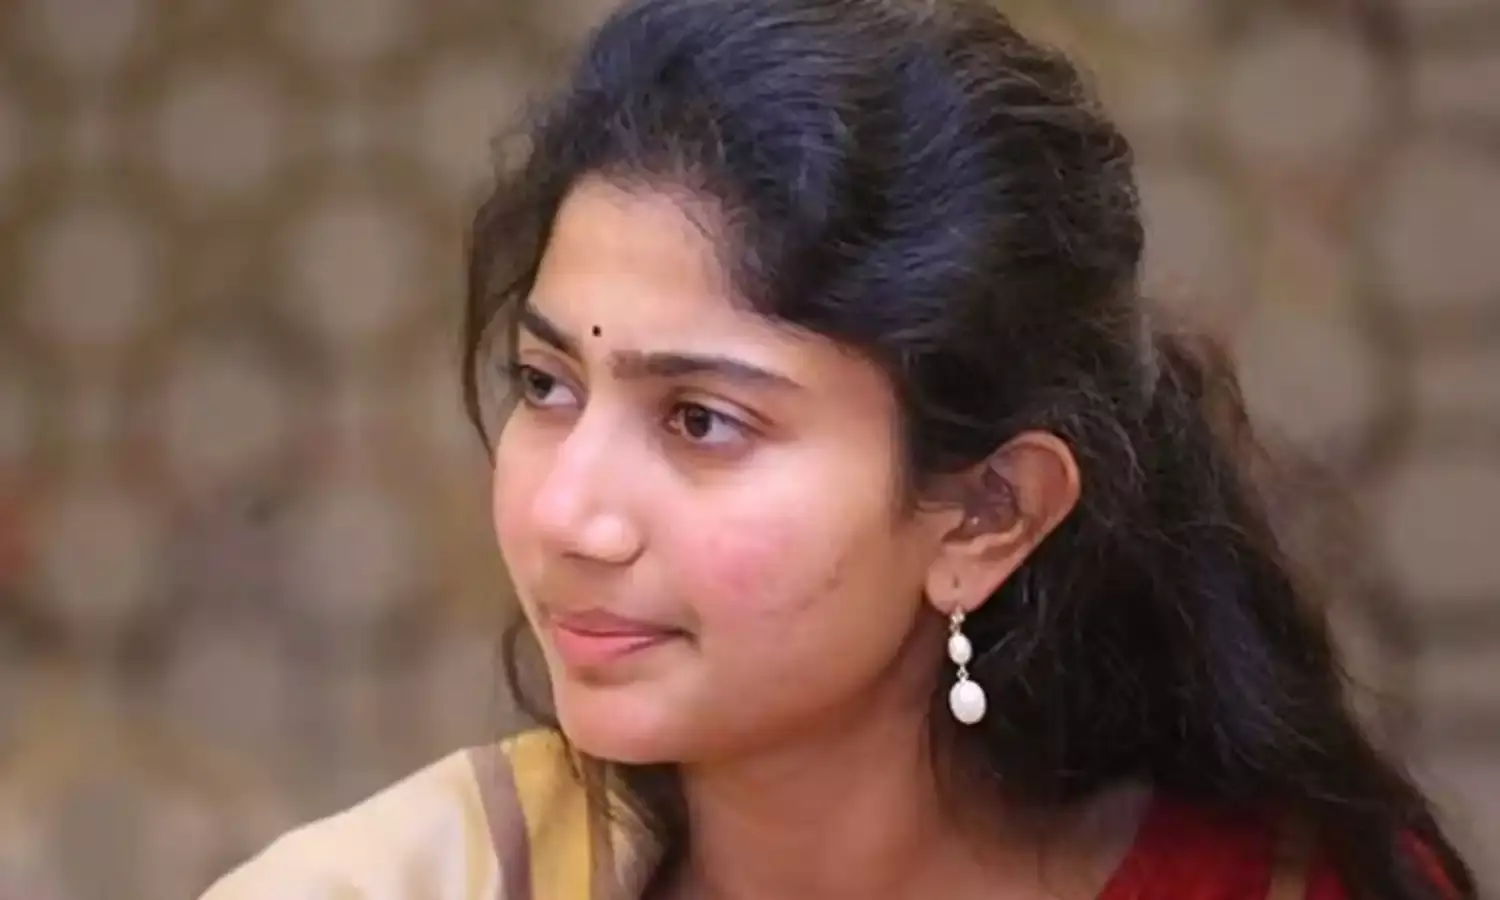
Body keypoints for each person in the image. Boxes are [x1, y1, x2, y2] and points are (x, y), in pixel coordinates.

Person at [200, 0, 1476, 897]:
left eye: (701, 420)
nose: (567, 514)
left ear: (987, 511)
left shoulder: (1279, 889)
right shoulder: (416, 883)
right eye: (546, 386)